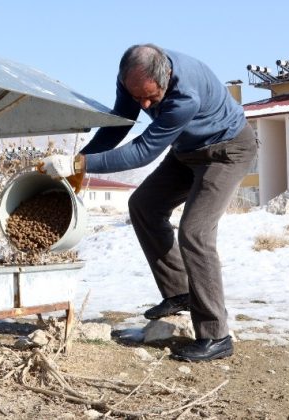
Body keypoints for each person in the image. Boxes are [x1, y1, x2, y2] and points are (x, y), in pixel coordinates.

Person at [39, 44, 257, 362]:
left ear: (166, 76)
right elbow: (120, 126)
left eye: (151, 98)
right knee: (144, 206)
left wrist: (80, 165)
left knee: (195, 233)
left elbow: (144, 150)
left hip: (226, 151)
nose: (143, 104)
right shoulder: (132, 79)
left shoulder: (186, 95)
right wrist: (77, 159)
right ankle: (179, 292)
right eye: (137, 96)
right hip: (187, 151)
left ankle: (216, 335)